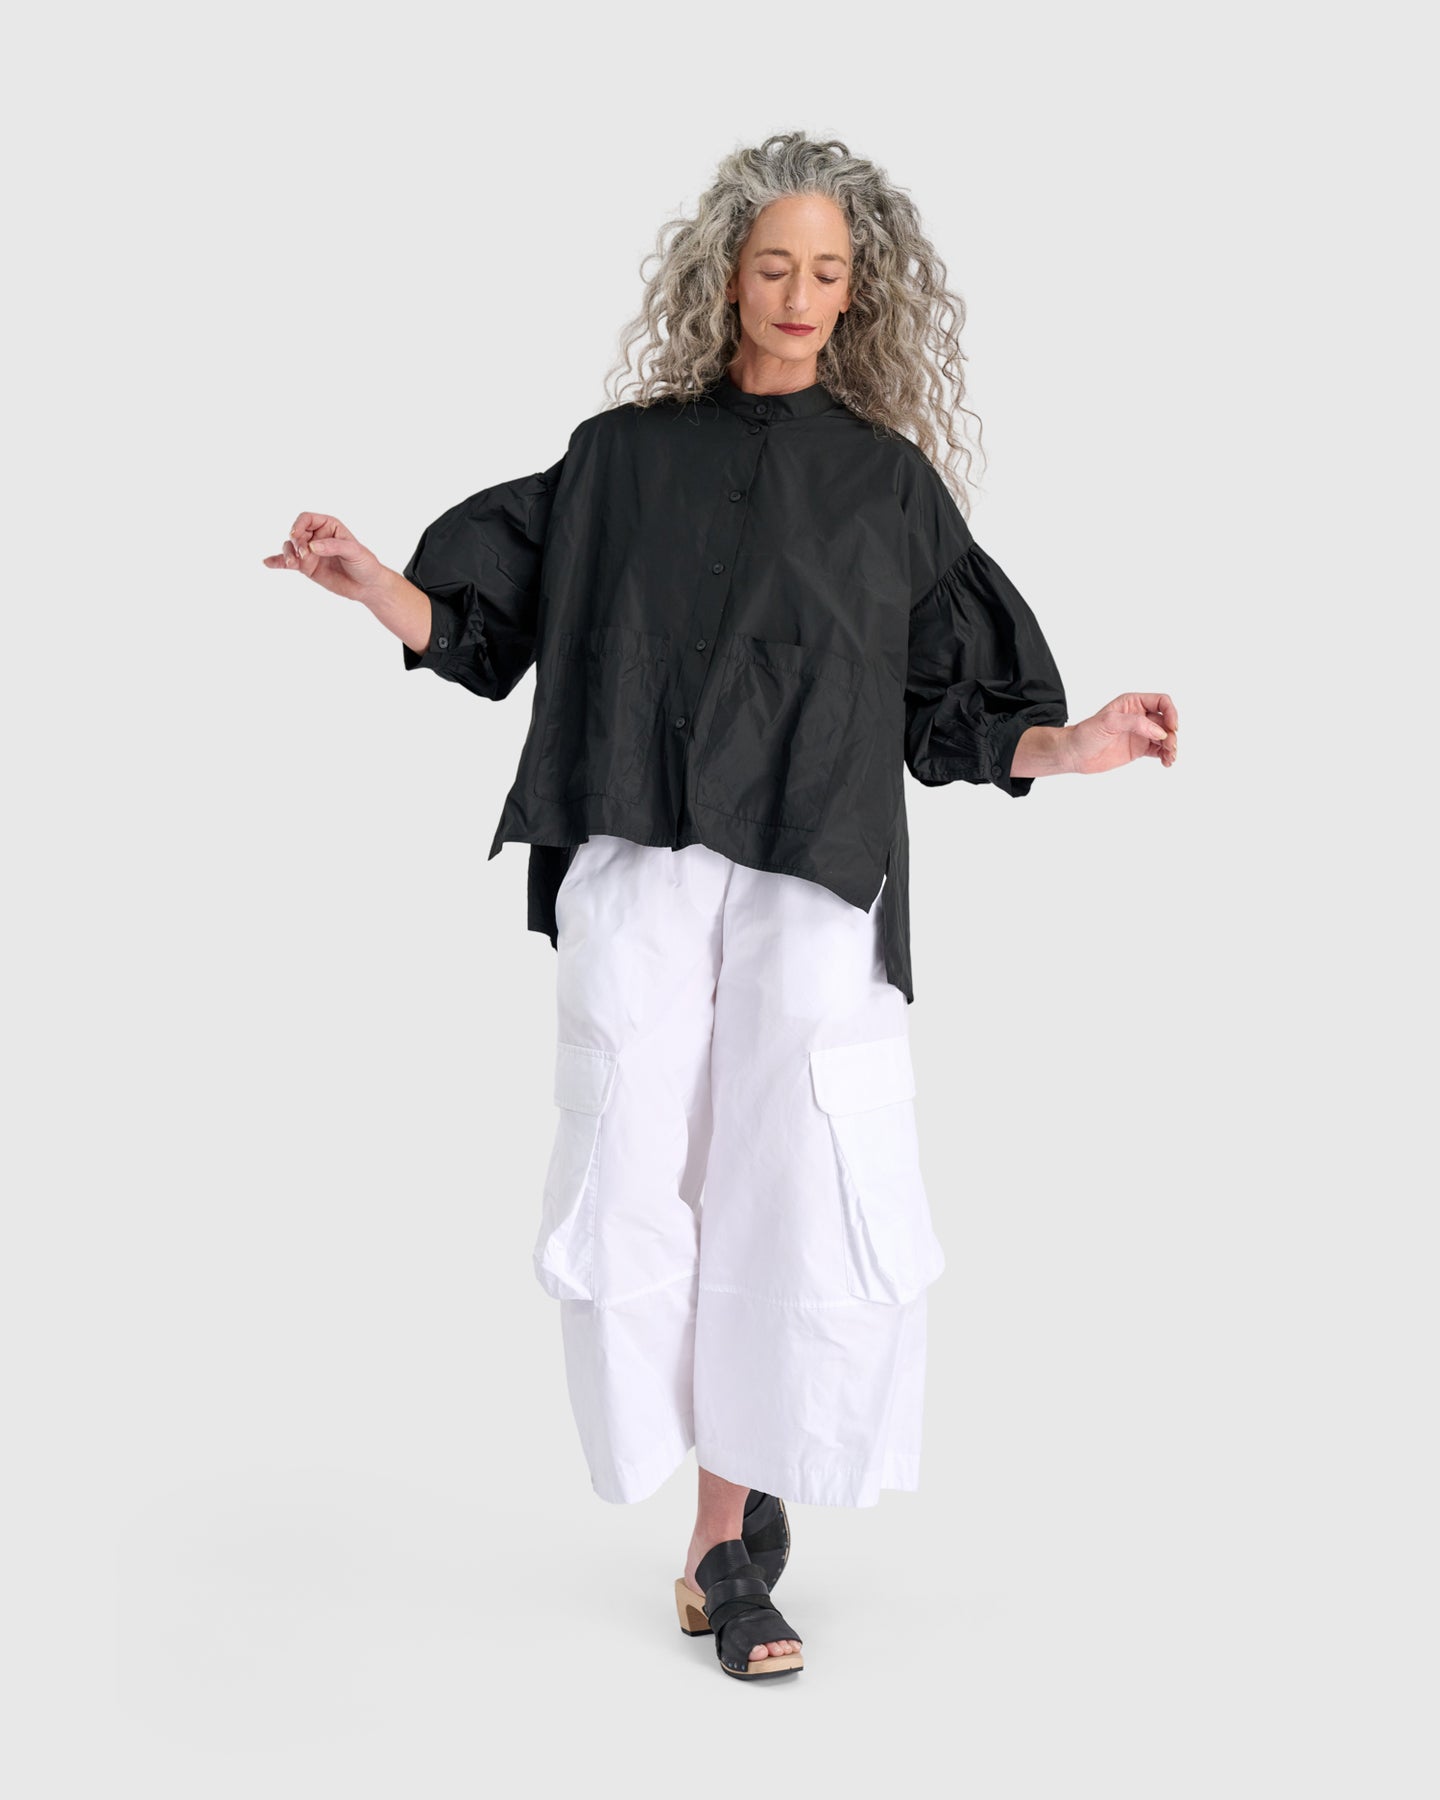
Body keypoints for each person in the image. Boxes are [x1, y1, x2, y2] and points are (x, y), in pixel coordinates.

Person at [262, 131, 1179, 1683]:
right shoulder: (620, 461)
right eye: (774, 266)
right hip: (639, 841)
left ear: (859, 291)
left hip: (814, 865)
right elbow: (483, 626)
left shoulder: (886, 488)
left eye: (827, 272)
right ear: (725, 278)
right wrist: (370, 586)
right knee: (631, 1165)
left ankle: (719, 1543)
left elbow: (952, 712)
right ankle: (705, 1503)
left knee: (787, 1184)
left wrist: (1073, 747)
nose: (799, 295)